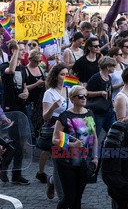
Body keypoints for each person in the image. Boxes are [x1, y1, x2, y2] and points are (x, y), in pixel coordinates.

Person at [52, 85, 98, 209]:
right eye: (80, 96)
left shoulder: (90, 113)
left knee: (78, 197)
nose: (84, 99)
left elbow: (94, 137)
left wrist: (95, 157)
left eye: (85, 96)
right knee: (69, 197)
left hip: (84, 161)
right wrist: (72, 145)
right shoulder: (64, 116)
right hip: (66, 161)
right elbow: (55, 139)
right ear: (72, 99)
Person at [0, 40, 29, 185]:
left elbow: (24, 86)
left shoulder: (23, 69)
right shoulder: (4, 66)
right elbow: (11, 71)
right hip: (9, 110)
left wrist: (26, 92)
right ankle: (4, 168)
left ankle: (16, 173)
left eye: (23, 49)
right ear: (12, 51)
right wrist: (16, 51)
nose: (23, 52)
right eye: (20, 50)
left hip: (21, 109)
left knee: (21, 142)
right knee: (13, 142)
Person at [41, 63, 70, 200]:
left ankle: (52, 180)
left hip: (70, 131)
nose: (65, 77)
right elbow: (45, 117)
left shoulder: (70, 90)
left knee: (68, 161)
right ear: (55, 76)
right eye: (62, 74)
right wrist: (53, 107)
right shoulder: (49, 93)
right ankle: (62, 197)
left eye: (66, 73)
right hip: (56, 132)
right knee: (59, 162)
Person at [86, 56, 116, 139]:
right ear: (107, 66)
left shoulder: (109, 77)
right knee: (95, 135)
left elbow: (109, 92)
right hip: (98, 111)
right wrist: (100, 93)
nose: (114, 68)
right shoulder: (96, 78)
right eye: (113, 66)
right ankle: (93, 151)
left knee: (113, 134)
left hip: (109, 110)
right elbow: (86, 93)